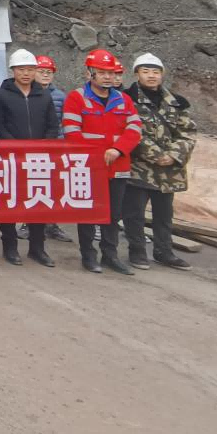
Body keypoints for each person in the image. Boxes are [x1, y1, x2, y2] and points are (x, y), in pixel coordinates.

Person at [62, 49, 143, 275]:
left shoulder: (123, 99)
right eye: (102, 72)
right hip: (89, 167)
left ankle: (110, 255)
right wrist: (96, 155)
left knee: (113, 214)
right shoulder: (77, 98)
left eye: (111, 73)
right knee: (87, 213)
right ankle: (88, 255)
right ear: (90, 73)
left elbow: (135, 128)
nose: (108, 77)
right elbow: (72, 132)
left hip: (117, 166)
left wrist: (118, 149)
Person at [123, 53, 196, 271]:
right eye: (145, 71)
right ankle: (137, 252)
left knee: (164, 214)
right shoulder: (126, 99)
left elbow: (188, 132)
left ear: (162, 74)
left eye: (155, 72)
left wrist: (173, 155)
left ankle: (164, 251)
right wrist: (156, 154)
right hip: (139, 168)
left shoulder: (176, 102)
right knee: (134, 214)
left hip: (168, 171)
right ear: (137, 74)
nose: (151, 76)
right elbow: (129, 131)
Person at [0, 49, 60, 267]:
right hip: (10, 158)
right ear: (13, 70)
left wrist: (44, 146)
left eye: (30, 69)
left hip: (38, 159)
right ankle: (10, 247)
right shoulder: (1, 95)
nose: (26, 73)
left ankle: (37, 248)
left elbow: (52, 125)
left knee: (37, 201)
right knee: (9, 202)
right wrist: (15, 147)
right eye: (21, 69)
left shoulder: (43, 95)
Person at [31, 54, 73, 245]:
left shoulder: (60, 96)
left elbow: (64, 123)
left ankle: (52, 224)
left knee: (54, 188)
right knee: (32, 185)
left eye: (49, 72)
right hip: (33, 149)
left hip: (55, 149)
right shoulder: (28, 94)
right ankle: (28, 223)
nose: (45, 75)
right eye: (41, 71)